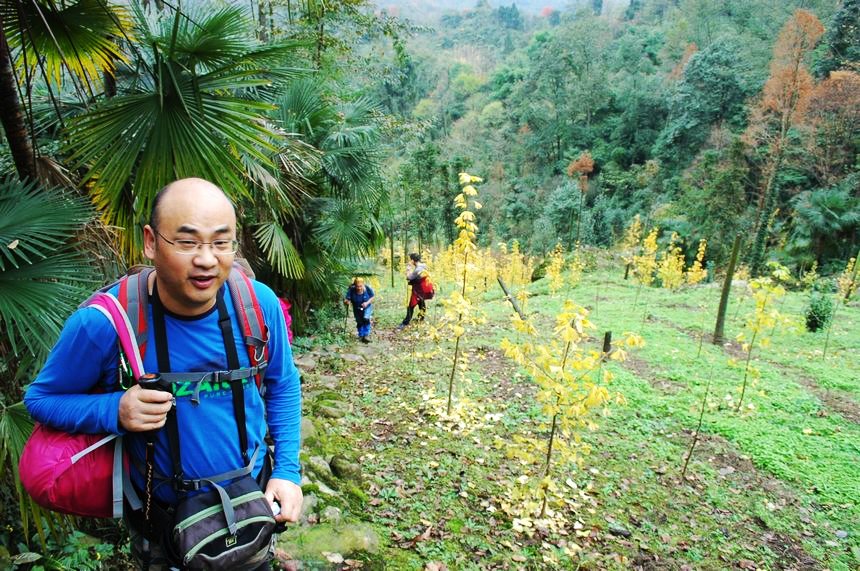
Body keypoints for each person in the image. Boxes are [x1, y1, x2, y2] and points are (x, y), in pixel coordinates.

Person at [24, 178, 302, 570]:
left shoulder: (257, 306)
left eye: (221, 242)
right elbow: (40, 400)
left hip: (252, 512)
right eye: (187, 242)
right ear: (151, 242)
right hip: (165, 533)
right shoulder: (105, 324)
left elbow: (283, 383)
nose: (207, 259)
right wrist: (115, 410)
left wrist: (287, 470)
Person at [397, 252, 428, 330]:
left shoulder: (417, 269)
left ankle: (405, 322)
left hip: (417, 291)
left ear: (413, 260)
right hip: (423, 289)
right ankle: (421, 318)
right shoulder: (424, 266)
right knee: (422, 304)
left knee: (411, 305)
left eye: (410, 260)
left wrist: (408, 269)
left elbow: (409, 277)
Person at [343, 277, 375, 343]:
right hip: (357, 308)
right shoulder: (352, 290)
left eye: (360, 286)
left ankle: (366, 335)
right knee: (359, 322)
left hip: (367, 307)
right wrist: (347, 301)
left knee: (366, 319)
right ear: (355, 285)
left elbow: (372, 296)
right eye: (357, 286)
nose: (359, 288)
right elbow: (347, 299)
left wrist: (366, 303)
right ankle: (361, 335)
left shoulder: (367, 288)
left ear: (363, 284)